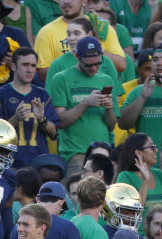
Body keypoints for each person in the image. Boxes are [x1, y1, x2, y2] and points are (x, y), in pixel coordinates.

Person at [50, 37, 118, 175]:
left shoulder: (106, 79)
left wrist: (109, 109)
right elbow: (60, 122)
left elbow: (111, 126)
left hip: (102, 152)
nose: (93, 68)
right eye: (88, 65)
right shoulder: (61, 78)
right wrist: (86, 102)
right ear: (76, 56)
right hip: (75, 154)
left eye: (98, 63)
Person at [0, 48, 59, 167]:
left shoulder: (43, 95)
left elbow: (53, 132)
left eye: (33, 65)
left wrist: (42, 120)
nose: (29, 70)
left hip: (38, 164)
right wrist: (15, 119)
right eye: (25, 65)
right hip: (9, 165)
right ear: (13, 66)